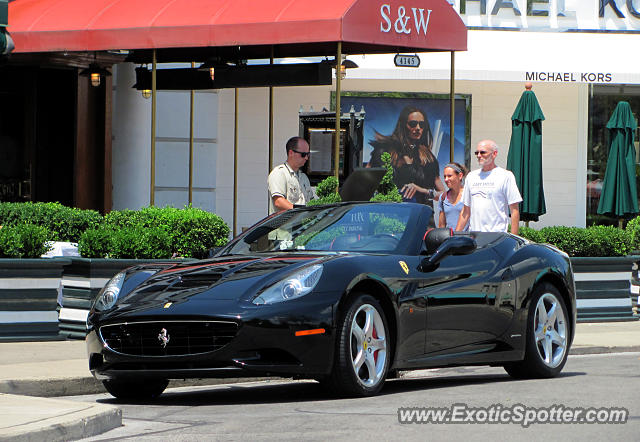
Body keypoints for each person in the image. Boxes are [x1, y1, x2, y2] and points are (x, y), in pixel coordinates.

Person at [368, 105, 444, 205]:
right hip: (391, 213)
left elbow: (444, 195)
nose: (418, 128)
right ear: (403, 125)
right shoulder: (385, 150)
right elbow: (365, 182)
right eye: (413, 124)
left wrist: (422, 190)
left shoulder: (427, 157)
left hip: (420, 215)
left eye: (421, 125)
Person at [455, 139, 522, 234]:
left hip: (497, 237)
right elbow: (465, 211)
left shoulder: (506, 176)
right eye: (476, 153)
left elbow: (514, 211)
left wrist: (514, 241)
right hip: (475, 237)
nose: (479, 155)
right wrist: (455, 236)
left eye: (483, 152)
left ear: (494, 154)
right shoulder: (471, 177)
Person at [267, 136, 315, 214]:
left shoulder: (304, 177)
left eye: (308, 154)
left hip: (302, 224)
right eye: (303, 154)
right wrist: (301, 210)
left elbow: (311, 202)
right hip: (284, 225)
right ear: (291, 153)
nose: (306, 158)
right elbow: (278, 201)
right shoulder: (279, 173)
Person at [438, 162, 469, 231]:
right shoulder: (443, 197)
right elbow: (441, 225)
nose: (446, 179)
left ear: (460, 176)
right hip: (450, 240)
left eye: (449, 176)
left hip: (466, 239)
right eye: (444, 176)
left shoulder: (468, 195)